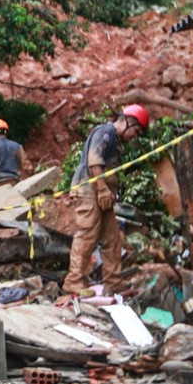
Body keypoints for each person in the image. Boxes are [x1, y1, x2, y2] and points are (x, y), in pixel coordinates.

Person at [63, 104, 149, 296]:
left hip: (103, 194)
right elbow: (94, 159)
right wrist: (102, 189)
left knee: (111, 238)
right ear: (129, 121)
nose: (135, 136)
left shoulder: (115, 141)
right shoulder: (106, 131)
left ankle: (113, 281)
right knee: (86, 235)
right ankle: (74, 281)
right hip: (90, 190)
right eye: (135, 130)